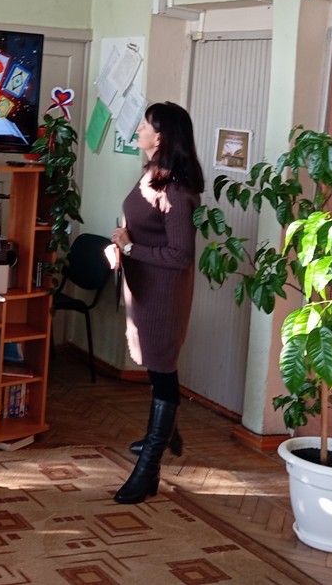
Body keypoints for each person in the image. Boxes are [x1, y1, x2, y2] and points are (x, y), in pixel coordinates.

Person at [105, 102, 204, 505]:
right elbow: (138, 228)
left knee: (162, 371)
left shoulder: (175, 190)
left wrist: (132, 248)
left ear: (160, 136)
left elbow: (180, 255)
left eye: (144, 125)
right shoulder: (150, 174)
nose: (138, 129)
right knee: (156, 367)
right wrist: (119, 245)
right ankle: (164, 434)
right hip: (142, 287)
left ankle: (148, 468)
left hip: (163, 295)